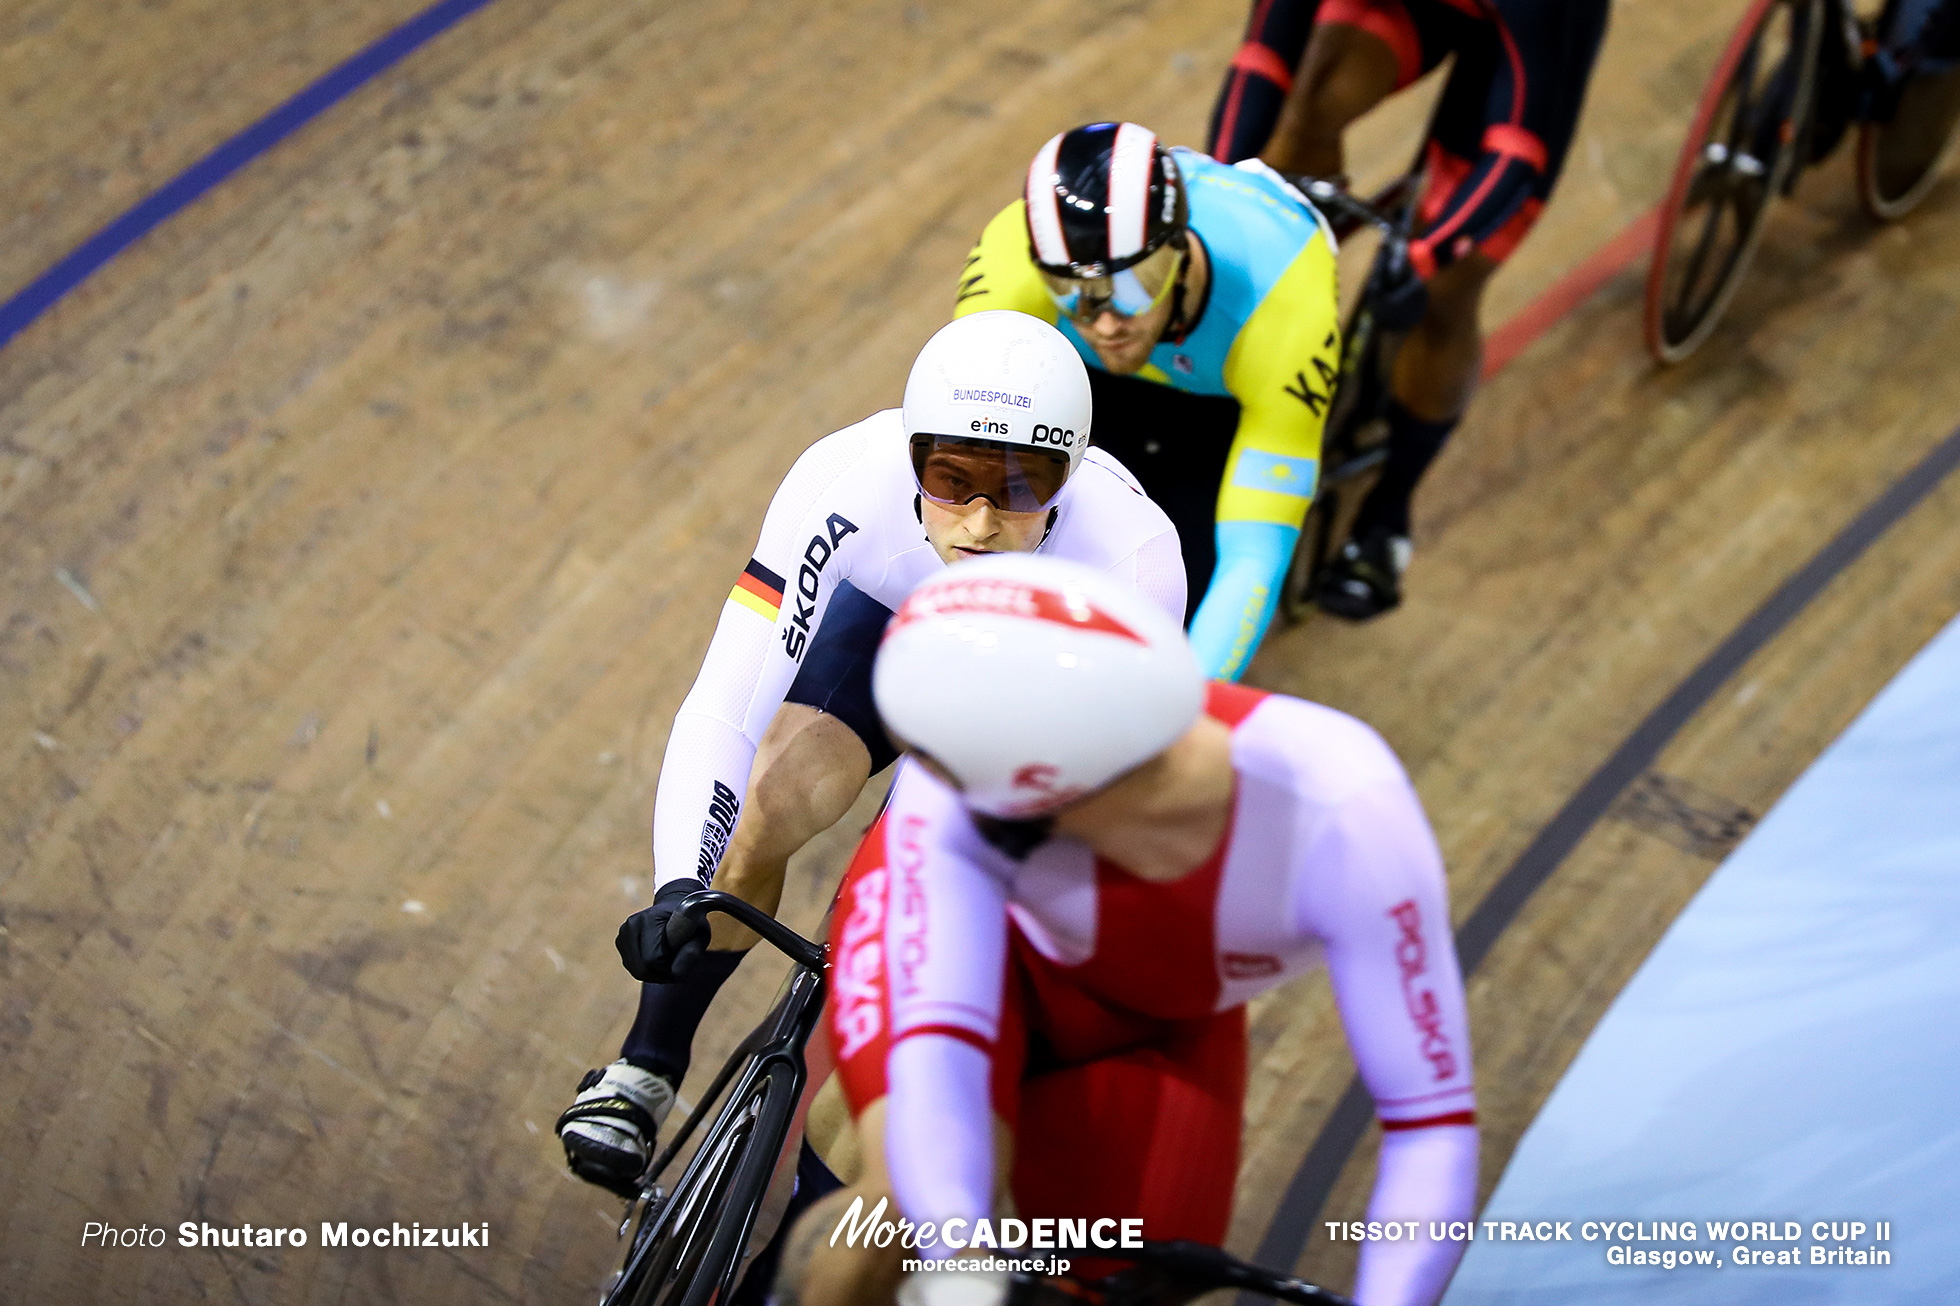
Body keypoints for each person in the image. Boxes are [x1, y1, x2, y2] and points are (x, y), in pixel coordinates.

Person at [554, 311, 1187, 1196]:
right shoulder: (845, 478)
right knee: (770, 800)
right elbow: (725, 707)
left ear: (1070, 476)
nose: (978, 519)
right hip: (890, 626)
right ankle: (645, 1070)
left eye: (1020, 486)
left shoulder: (1134, 564)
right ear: (910, 453)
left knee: (907, 951)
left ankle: (800, 1258)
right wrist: (676, 884)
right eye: (950, 477)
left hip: (1024, 685)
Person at [780, 555, 1479, 1306]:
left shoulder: (1344, 814)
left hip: (1155, 1017)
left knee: (1133, 1281)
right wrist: (959, 1252)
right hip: (978, 956)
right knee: (900, 1210)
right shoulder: (953, 804)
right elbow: (935, 1055)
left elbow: (1429, 1121)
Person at [1209, 0, 1611, 617]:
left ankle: (1387, 514)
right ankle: (1246, 331)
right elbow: (1265, 53)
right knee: (1307, 103)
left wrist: (1426, 258)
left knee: (1446, 288)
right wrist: (1222, 185)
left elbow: (1517, 150)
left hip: (1534, 32)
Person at [955, 120, 1340, 675]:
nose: (1107, 321)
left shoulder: (1283, 317)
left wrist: (1179, 718)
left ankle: (1385, 519)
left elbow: (1252, 557)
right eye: (1073, 292)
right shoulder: (1008, 266)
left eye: (1137, 284)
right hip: (1087, 380)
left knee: (1183, 592)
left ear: (1179, 252)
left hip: (1222, 398)